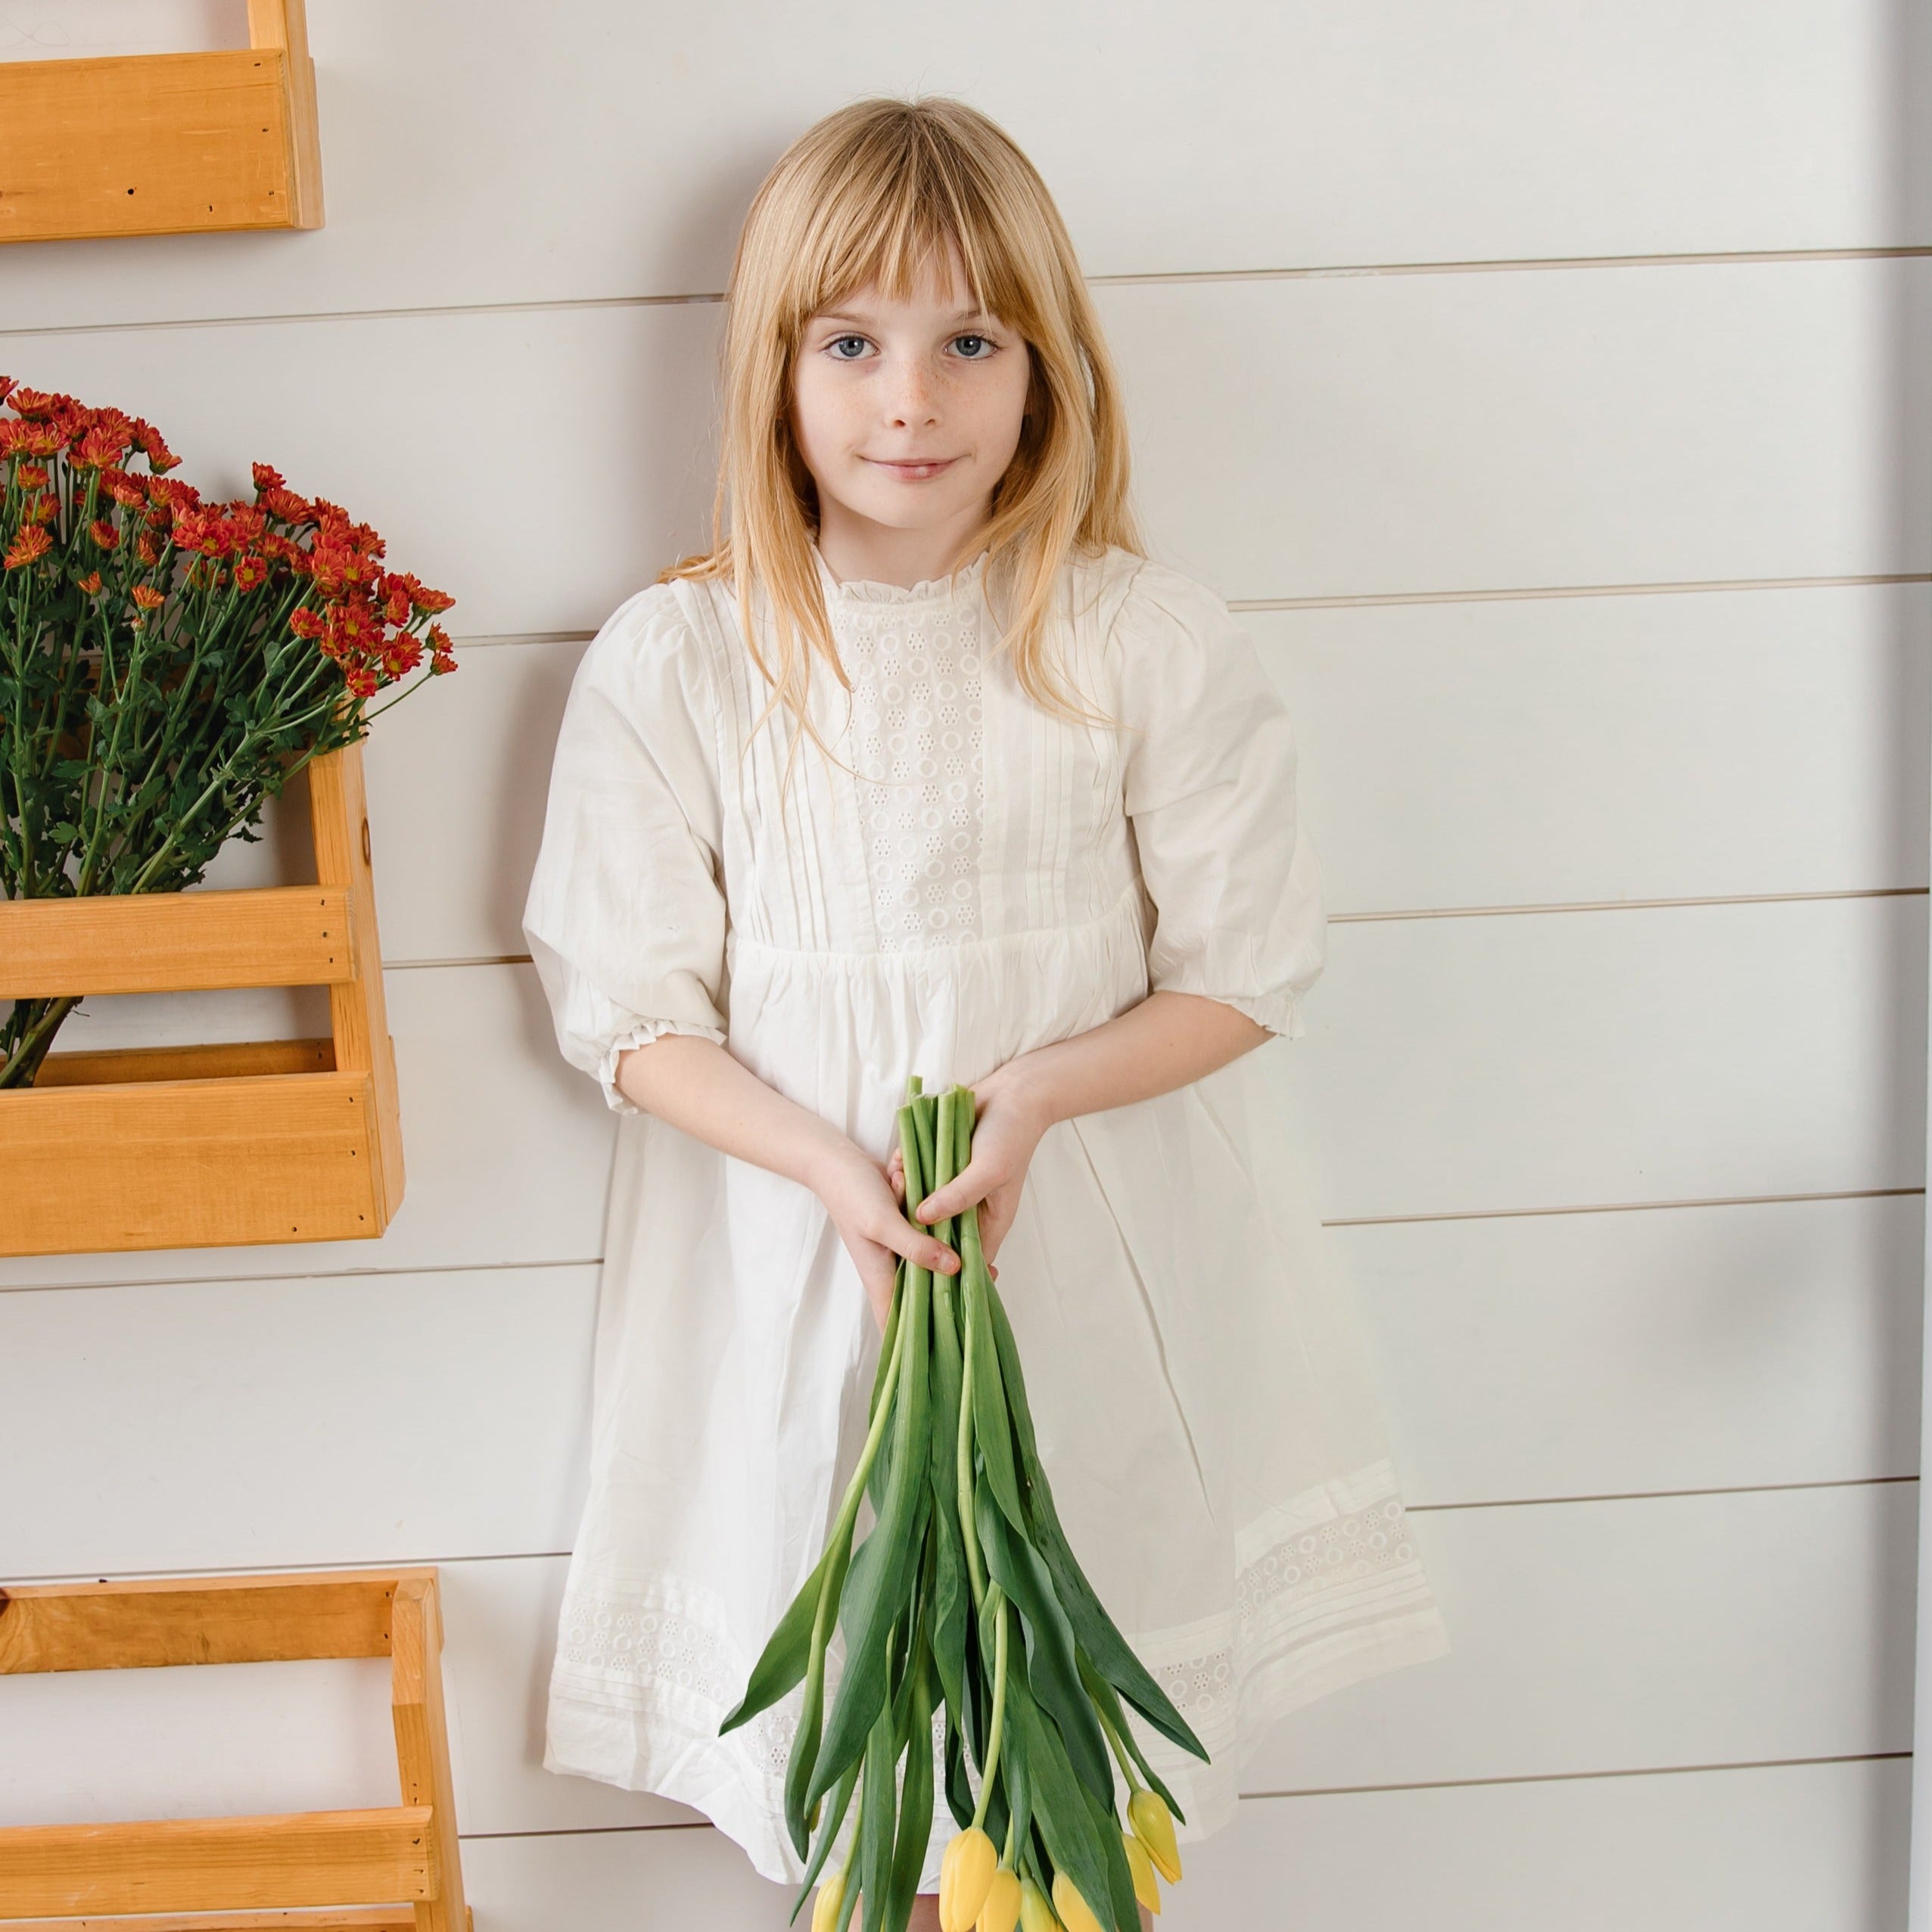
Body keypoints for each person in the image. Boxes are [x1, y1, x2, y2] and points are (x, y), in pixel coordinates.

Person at [521, 94, 1451, 1926]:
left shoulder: (1133, 635)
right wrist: (824, 1165)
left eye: (969, 343)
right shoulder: (685, 656)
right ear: (773, 368)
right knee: (864, 1717)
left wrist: (1031, 1092)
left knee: (1058, 1729)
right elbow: (626, 1012)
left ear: (1046, 363)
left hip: (1082, 1263)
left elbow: (1241, 968)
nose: (910, 403)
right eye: (852, 344)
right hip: (803, 1265)